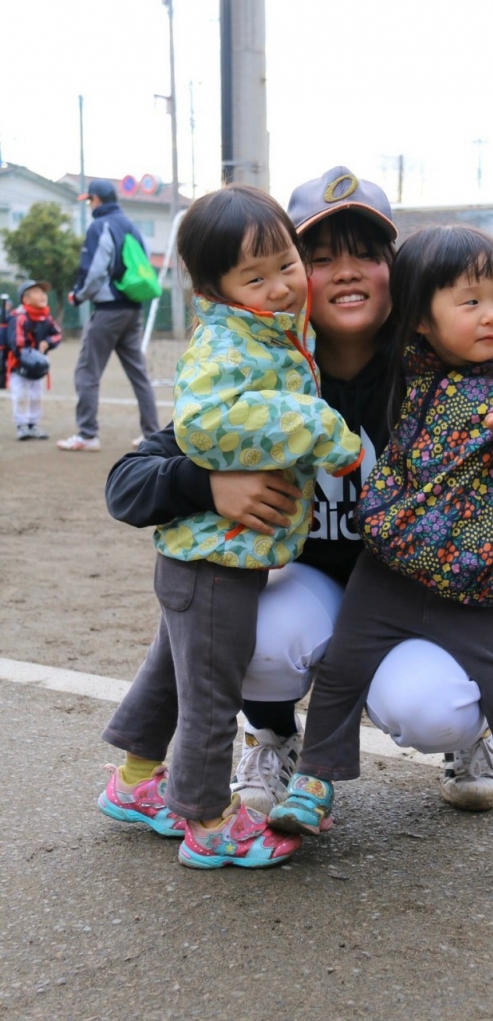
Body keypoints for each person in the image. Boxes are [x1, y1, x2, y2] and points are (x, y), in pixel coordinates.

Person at [103, 166, 493, 820]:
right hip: (311, 587)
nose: (345, 273)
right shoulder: (259, 377)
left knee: (435, 709)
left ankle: (471, 732)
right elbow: (126, 482)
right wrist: (208, 484)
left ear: (397, 272)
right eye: (319, 258)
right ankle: (270, 736)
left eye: (366, 255)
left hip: (405, 599)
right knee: (240, 632)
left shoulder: (434, 375)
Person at [268, 224, 493, 883]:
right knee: (342, 669)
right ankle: (313, 780)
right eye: (470, 301)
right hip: (388, 569)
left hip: (476, 584)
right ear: (420, 319)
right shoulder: (408, 372)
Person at [98, 184, 363, 870]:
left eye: (287, 265)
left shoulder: (269, 330)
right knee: (211, 695)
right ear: (215, 289)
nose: (281, 286)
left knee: (172, 672)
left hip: (211, 555)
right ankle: (207, 818)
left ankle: (134, 782)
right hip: (215, 559)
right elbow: (203, 425)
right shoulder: (228, 343)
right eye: (256, 277)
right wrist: (317, 425)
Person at [57, 178, 159, 452]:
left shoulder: (100, 225)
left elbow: (95, 269)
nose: (89, 205)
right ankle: (151, 434)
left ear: (97, 199)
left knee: (87, 372)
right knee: (139, 374)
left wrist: (79, 295)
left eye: (90, 200)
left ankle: (87, 434)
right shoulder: (132, 226)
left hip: (109, 310)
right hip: (132, 309)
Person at [6, 280, 61, 440]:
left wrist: (47, 343)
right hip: (19, 366)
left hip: (37, 366)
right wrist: (29, 357)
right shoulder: (20, 317)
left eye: (43, 292)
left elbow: (57, 334)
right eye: (36, 292)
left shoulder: (46, 317)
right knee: (21, 395)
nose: (42, 295)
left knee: (37, 395)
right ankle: (22, 425)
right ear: (26, 299)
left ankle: (33, 424)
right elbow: (17, 343)